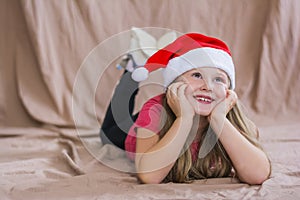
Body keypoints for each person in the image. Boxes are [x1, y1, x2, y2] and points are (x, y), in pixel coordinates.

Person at [100, 33, 271, 184]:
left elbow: (258, 175)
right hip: (140, 130)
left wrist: (219, 120)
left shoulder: (231, 117)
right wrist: (184, 119)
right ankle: (132, 69)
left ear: (228, 91)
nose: (208, 86)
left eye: (218, 79)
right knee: (108, 132)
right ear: (175, 84)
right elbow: (150, 177)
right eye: (197, 75)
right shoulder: (155, 112)